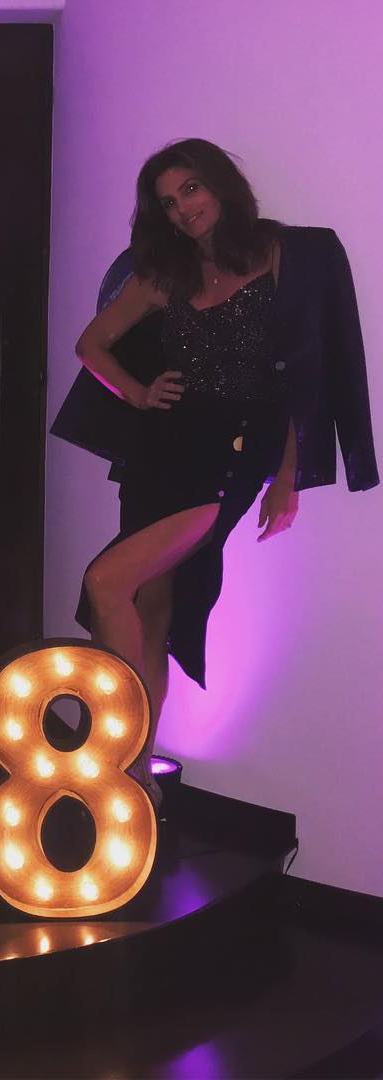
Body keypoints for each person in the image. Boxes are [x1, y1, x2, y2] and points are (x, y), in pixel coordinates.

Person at [51, 138, 377, 805]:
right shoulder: (163, 274)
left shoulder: (283, 256)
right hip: (160, 449)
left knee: (106, 582)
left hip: (233, 452)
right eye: (169, 203)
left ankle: (114, 756)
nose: (183, 209)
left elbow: (298, 380)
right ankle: (135, 775)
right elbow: (92, 344)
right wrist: (137, 393)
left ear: (220, 183)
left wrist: (286, 480)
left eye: (191, 189)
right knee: (152, 609)